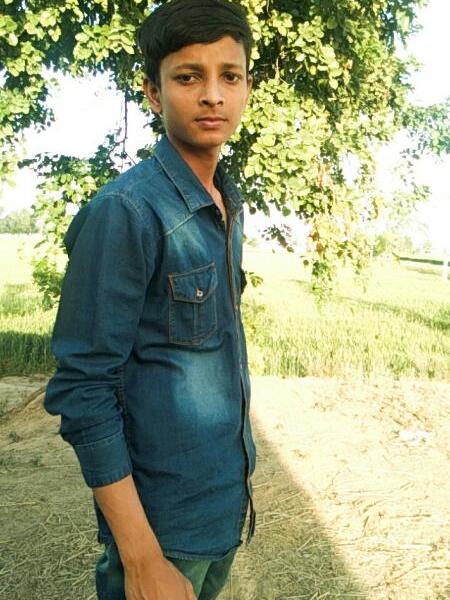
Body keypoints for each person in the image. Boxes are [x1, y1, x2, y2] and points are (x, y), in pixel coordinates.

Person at [44, 0, 257, 598]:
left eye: (230, 76)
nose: (212, 95)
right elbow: (84, 388)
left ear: (246, 87)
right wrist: (140, 559)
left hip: (221, 505)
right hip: (161, 530)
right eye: (188, 77)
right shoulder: (127, 211)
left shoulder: (225, 201)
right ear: (154, 93)